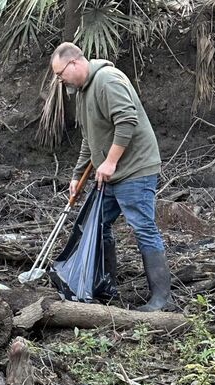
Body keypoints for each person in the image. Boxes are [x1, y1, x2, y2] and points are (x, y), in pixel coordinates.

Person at [51, 42, 173, 311]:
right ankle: (106, 287)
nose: (60, 81)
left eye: (60, 74)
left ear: (74, 63)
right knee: (99, 225)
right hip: (110, 175)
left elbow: (127, 120)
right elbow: (88, 138)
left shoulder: (108, 80)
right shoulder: (82, 93)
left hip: (135, 170)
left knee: (142, 227)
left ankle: (162, 298)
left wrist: (110, 162)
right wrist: (76, 176)